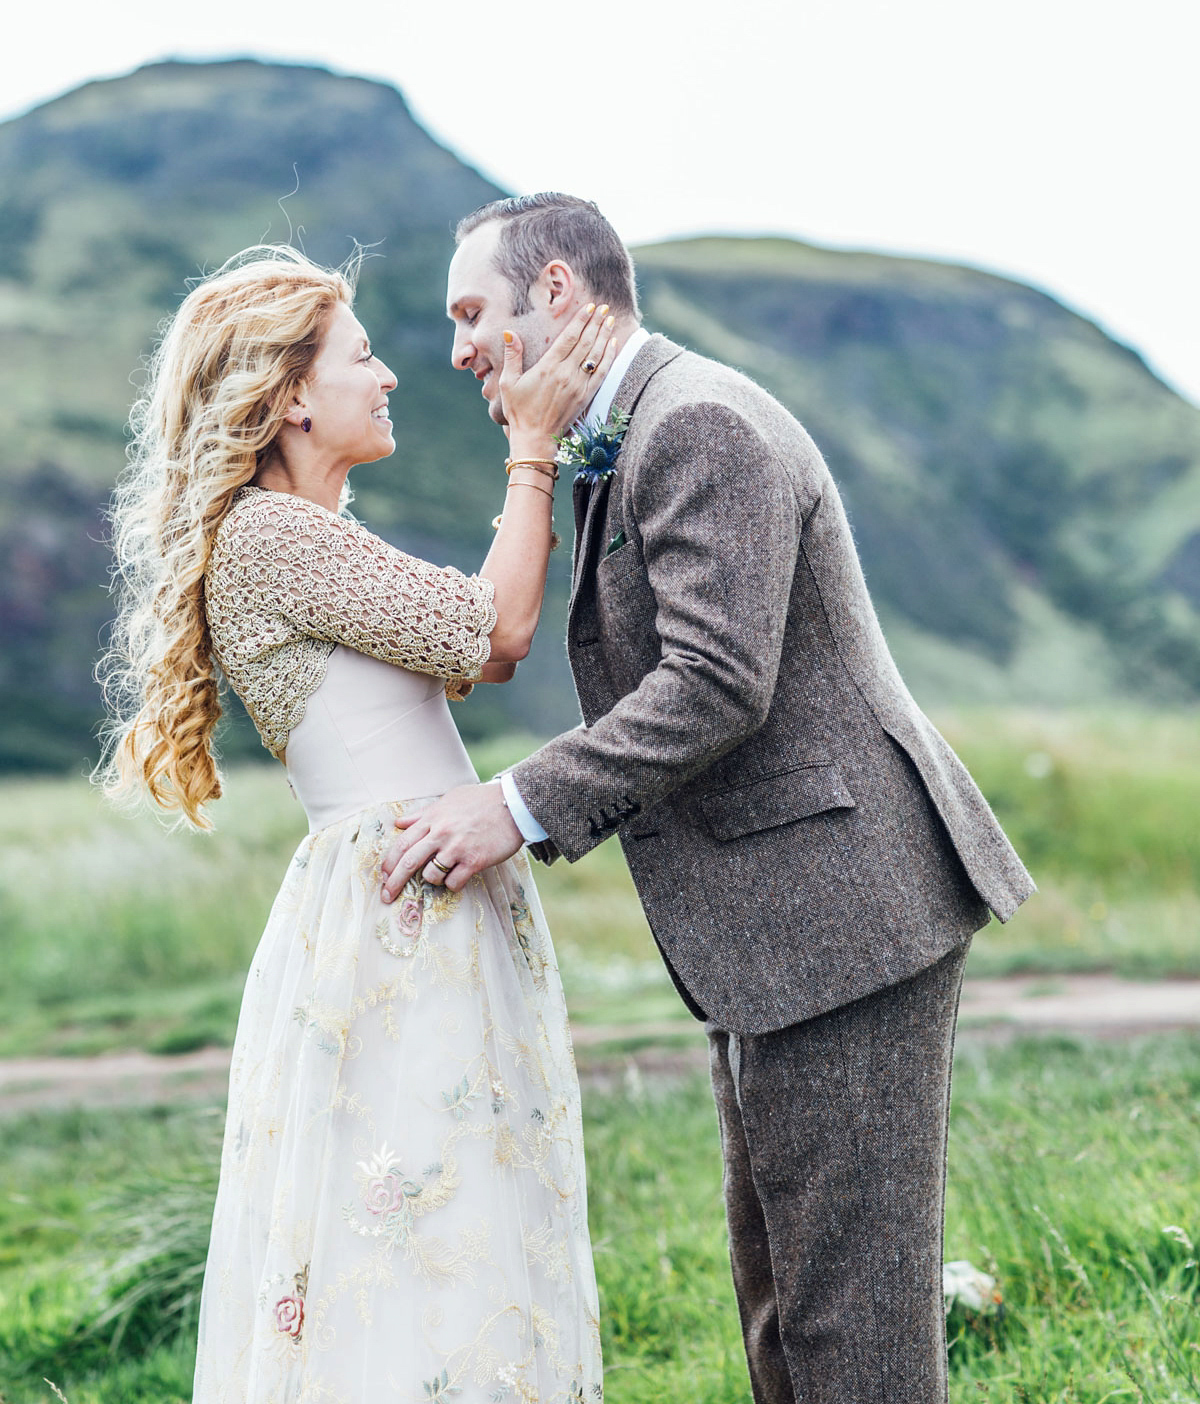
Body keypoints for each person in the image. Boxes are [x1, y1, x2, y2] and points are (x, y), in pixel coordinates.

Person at [382, 193, 1036, 1404]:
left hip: (845, 918)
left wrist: (514, 804)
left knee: (852, 1332)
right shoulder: (634, 431)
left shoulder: (697, 425)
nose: (460, 347)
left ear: (561, 293)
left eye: (475, 313)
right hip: (792, 925)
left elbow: (716, 682)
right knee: (787, 1308)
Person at [96, 244, 615, 1404]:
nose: (388, 377)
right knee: (427, 1220)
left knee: (430, 1217)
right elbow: (493, 635)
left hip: (404, 887)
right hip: (401, 912)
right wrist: (531, 452)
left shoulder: (293, 534)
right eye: (363, 355)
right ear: (288, 394)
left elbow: (467, 639)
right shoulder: (276, 536)